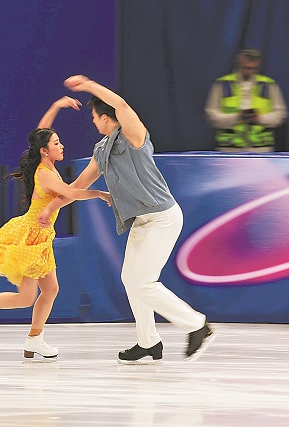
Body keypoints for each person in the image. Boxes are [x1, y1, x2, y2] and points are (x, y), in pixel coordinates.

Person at [39, 76, 215, 363]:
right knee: (132, 281)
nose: (93, 121)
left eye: (94, 116)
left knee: (143, 283)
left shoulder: (133, 134)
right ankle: (149, 341)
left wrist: (87, 85)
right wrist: (50, 208)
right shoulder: (101, 150)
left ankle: (198, 325)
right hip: (141, 221)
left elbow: (120, 104)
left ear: (105, 117)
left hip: (162, 217)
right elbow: (77, 187)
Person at [0, 96, 111, 361]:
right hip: (30, 235)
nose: (61, 146)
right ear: (45, 151)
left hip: (39, 235)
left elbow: (41, 132)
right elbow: (71, 193)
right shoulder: (45, 174)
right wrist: (99, 193)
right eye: (56, 143)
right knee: (28, 296)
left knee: (48, 290)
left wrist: (56, 106)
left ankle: (32, 338)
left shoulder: (45, 164)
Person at [205, 48, 287, 152]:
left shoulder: (269, 85)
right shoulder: (222, 84)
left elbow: (280, 114)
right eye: (247, 68)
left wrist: (259, 118)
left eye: (254, 68)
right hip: (229, 148)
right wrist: (237, 117)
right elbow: (211, 115)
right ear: (239, 65)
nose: (250, 72)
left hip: (261, 149)